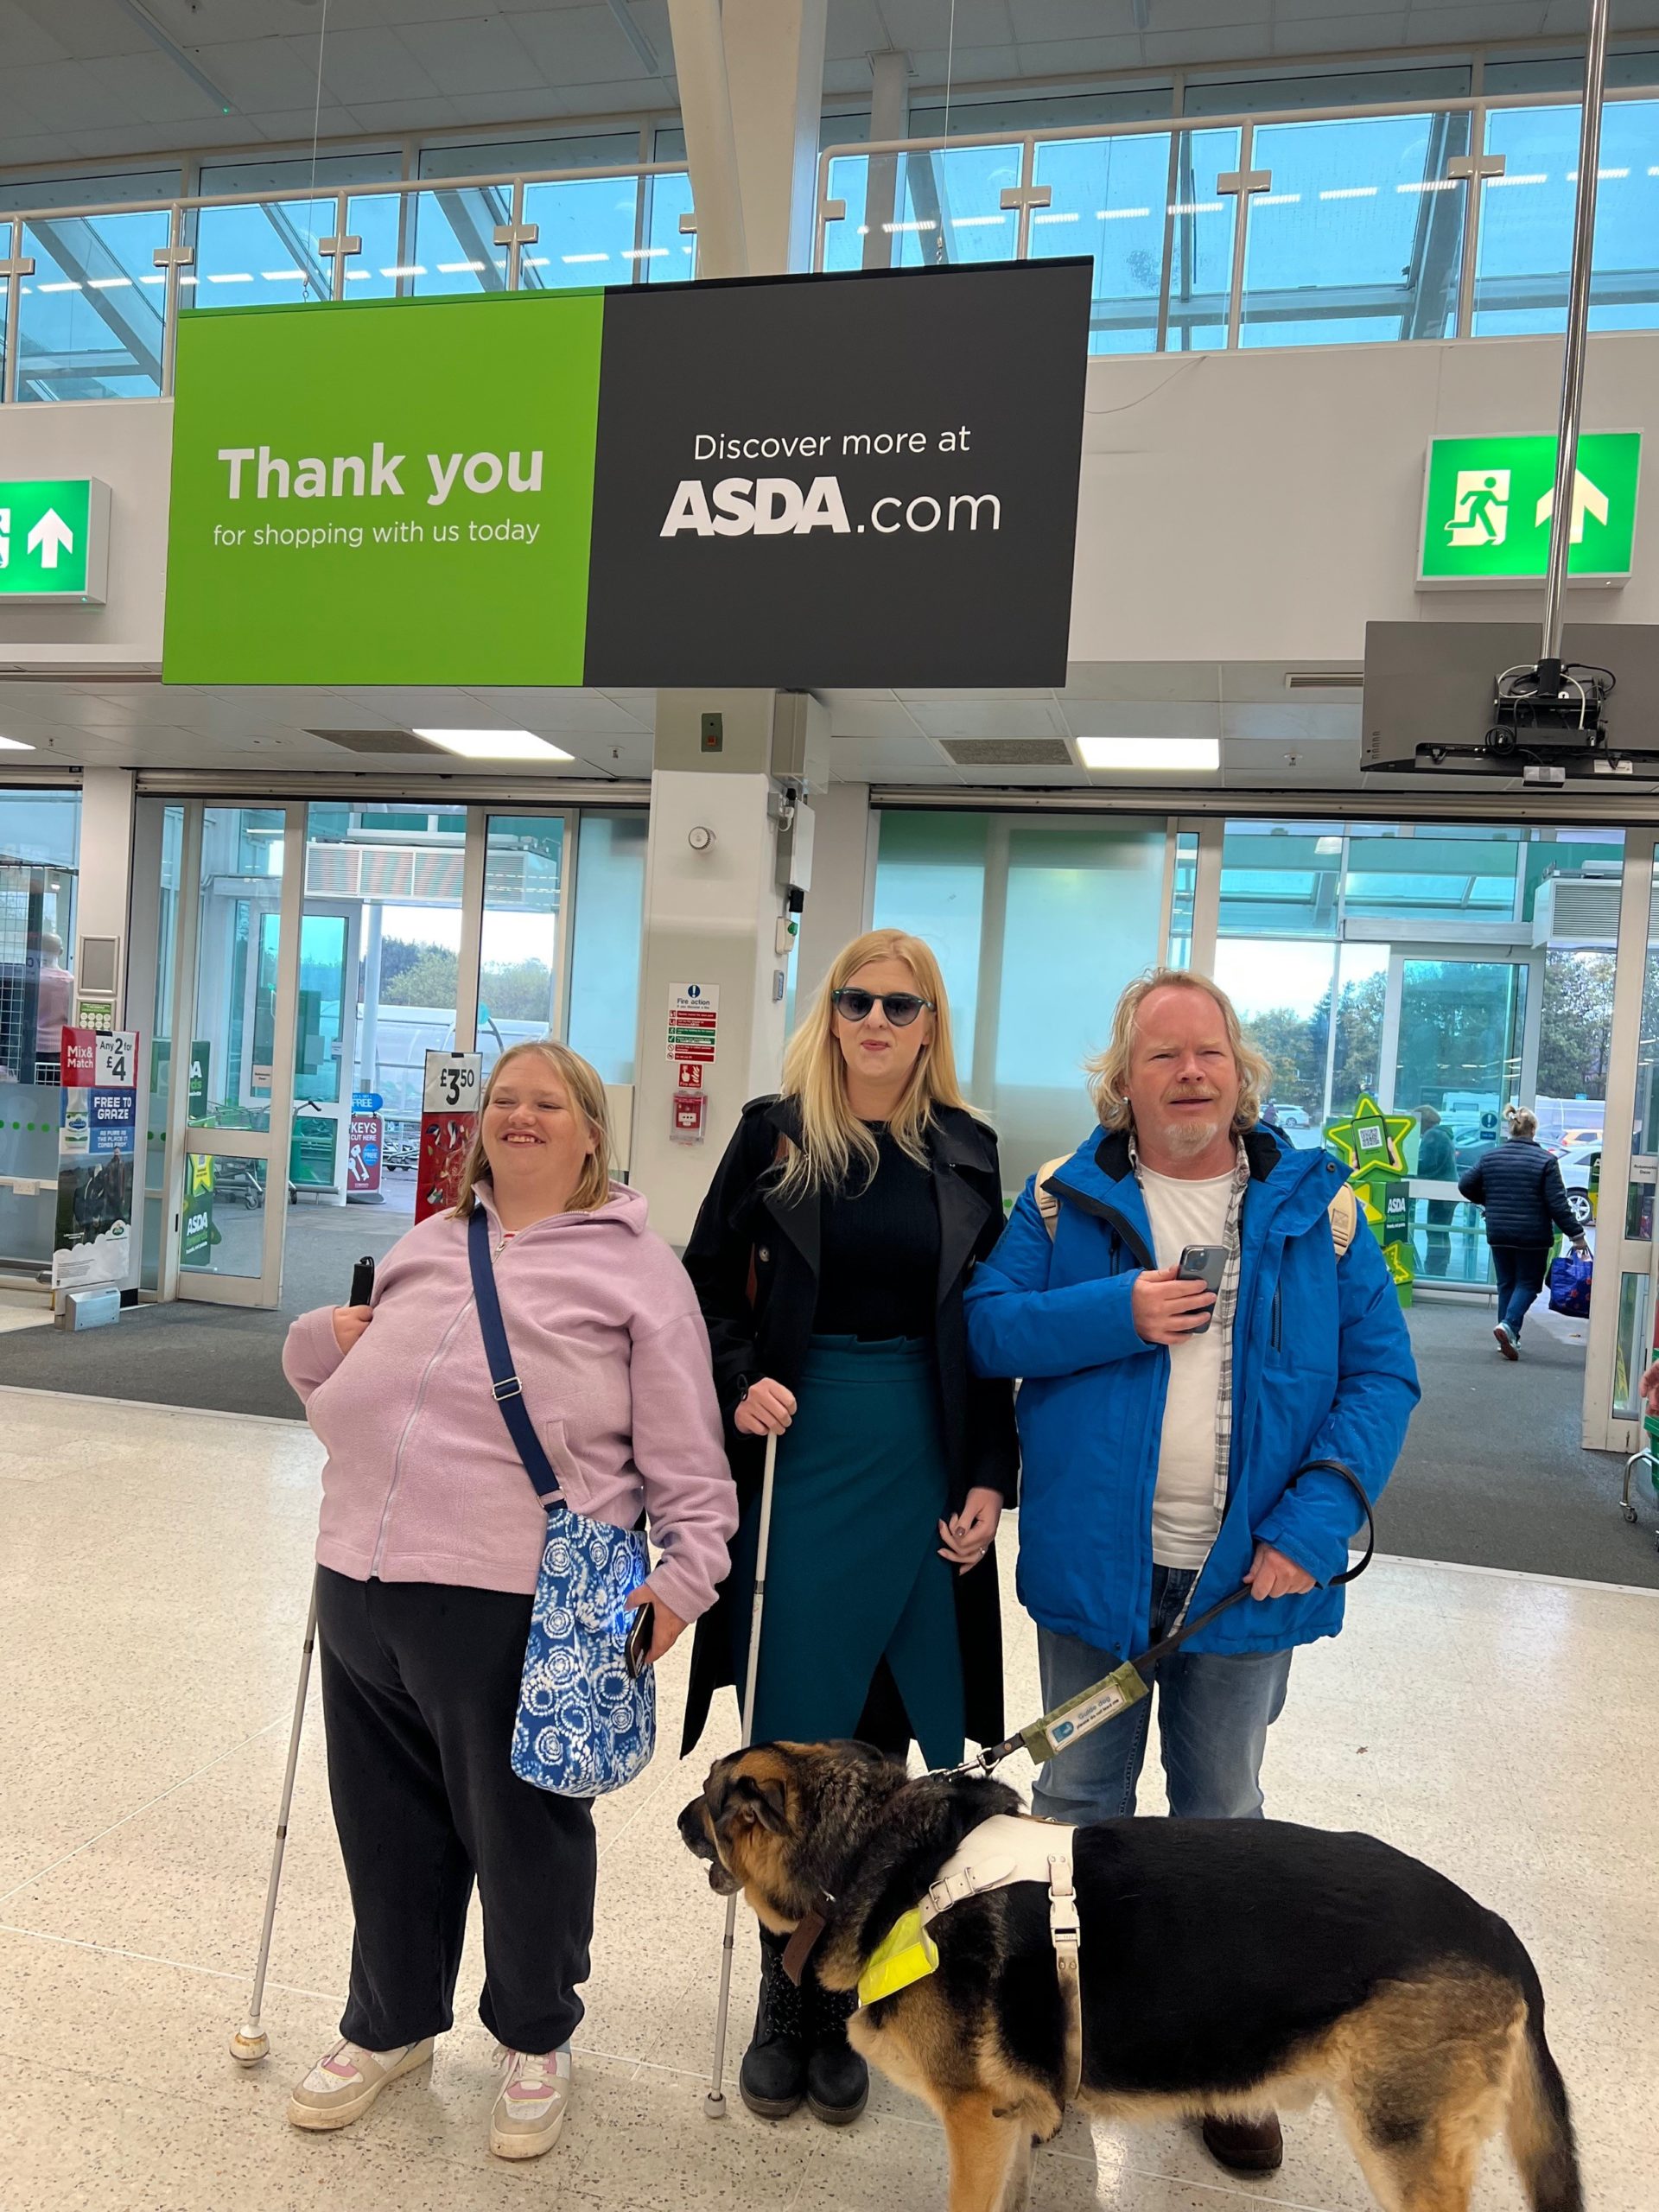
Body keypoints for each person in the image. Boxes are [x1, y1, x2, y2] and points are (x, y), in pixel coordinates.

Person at [963, 966, 1418, 2180]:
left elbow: (1382, 1378)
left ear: (1241, 1071)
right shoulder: (1064, 1205)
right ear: (1125, 1080)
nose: (1190, 1074)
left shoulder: (1319, 1208)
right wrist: (1119, 1311)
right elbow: (990, 1328)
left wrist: (1314, 1528)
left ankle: (1222, 2057)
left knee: (1221, 1824)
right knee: (1079, 1819)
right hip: (1091, 1581)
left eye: (1208, 1053)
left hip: (1246, 1583)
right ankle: (1072, 2039)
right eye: (1162, 1057)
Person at [281, 1040, 736, 2161]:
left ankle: (537, 2034)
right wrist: (313, 1340)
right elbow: (331, 1388)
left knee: (521, 1828)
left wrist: (685, 1575)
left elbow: (687, 1444)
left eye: (548, 1102)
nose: (520, 1116)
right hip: (360, 1579)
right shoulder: (431, 1243)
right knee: (382, 1825)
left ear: (591, 1134)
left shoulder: (634, 1269)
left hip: (514, 1596)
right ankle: (389, 2023)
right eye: (504, 1101)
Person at [681, 925, 1019, 2129]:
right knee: (795, 1729)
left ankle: (858, 1986)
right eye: (856, 1002)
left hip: (923, 1447)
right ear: (829, 1016)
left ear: (932, 1025)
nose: (876, 1024)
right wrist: (736, 1377)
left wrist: (989, 1476)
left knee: (893, 1729)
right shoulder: (775, 1133)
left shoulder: (971, 1151)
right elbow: (704, 1284)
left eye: (902, 1005)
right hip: (802, 1447)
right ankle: (790, 1995)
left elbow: (991, 1330)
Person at [1458, 1106, 1589, 1359]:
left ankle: (1509, 1337)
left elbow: (1465, 1185)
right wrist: (1577, 1235)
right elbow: (1557, 1204)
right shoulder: (1546, 1161)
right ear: (1533, 1131)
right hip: (1533, 1235)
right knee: (1529, 1284)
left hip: (1499, 1231)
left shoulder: (1491, 1157)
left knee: (1506, 1283)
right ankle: (1508, 1326)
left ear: (1511, 1129)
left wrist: (1489, 1202)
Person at [1414, 1105, 1458, 1279]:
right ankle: (1438, 1268)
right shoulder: (1443, 1134)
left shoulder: (1433, 1135)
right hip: (1448, 1191)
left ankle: (1435, 1271)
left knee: (1435, 1232)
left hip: (1442, 1192)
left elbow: (1427, 1164)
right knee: (1441, 1231)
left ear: (1423, 1122)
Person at [33, 932, 73, 1084]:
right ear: (61, 952)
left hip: (33, 1048)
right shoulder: (69, 982)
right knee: (55, 1095)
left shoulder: (32, 980)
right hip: (60, 1048)